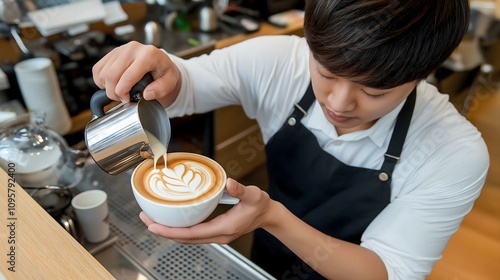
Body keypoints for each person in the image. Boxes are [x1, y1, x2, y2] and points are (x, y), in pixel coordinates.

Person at [92, 0, 490, 279]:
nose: (338, 101)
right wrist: (166, 74)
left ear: (426, 73)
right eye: (327, 71)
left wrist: (270, 217)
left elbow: (387, 270)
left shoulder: (452, 151)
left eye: (374, 92)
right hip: (268, 259)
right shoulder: (279, 61)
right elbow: (187, 85)